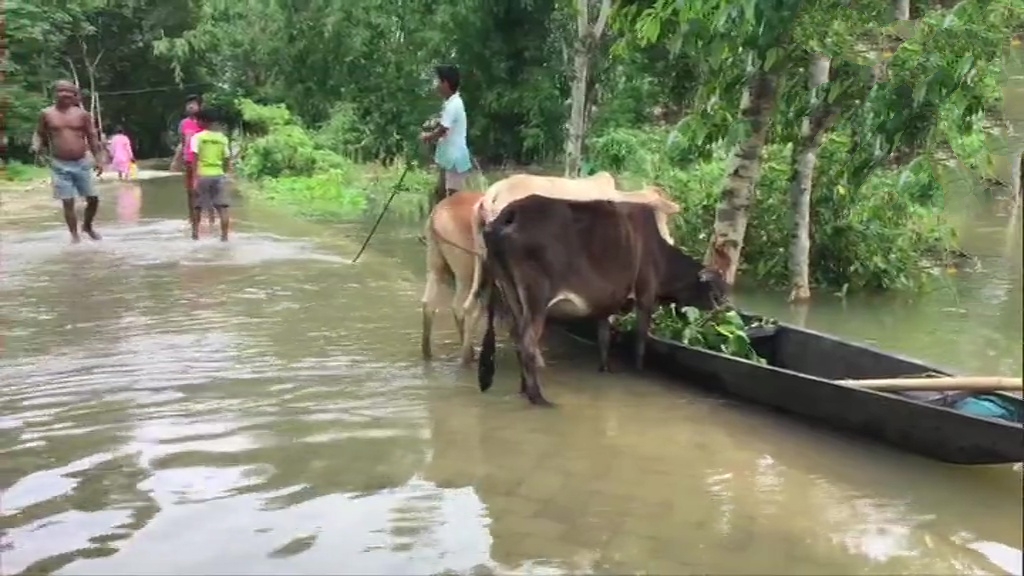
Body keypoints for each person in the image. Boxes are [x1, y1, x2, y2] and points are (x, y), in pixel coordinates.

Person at [31, 80, 105, 243]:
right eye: (60, 91)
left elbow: (92, 137)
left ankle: (87, 226)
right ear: (55, 94)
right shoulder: (47, 114)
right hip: (59, 164)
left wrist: (99, 160)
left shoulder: (82, 115)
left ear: (74, 95)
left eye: (68, 91)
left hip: (82, 162)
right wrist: (36, 145)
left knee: (93, 198)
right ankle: (74, 235)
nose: (64, 94)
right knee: (67, 200)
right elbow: (39, 133)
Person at [420, 65, 473, 210]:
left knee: (454, 198)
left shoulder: (454, 104)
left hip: (454, 158)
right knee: (441, 193)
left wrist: (427, 137)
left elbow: (443, 129)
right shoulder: (450, 102)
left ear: (445, 83)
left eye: (438, 81)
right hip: (448, 157)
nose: (436, 85)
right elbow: (444, 123)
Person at [188, 108, 232, 241]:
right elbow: (227, 158)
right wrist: (225, 172)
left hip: (202, 175)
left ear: (203, 121)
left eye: (198, 120)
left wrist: (194, 177)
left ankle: (195, 235)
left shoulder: (198, 137)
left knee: (197, 207)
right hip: (218, 175)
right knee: (222, 207)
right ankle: (224, 237)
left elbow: (194, 158)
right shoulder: (222, 138)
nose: (197, 123)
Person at [172, 94, 215, 229]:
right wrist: (176, 161)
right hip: (189, 161)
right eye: (188, 104)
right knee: (190, 192)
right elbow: (182, 143)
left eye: (194, 103)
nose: (190, 106)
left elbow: (211, 140)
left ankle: (211, 218)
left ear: (200, 106)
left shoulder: (203, 122)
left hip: (203, 161)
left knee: (206, 191)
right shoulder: (183, 123)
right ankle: (193, 219)